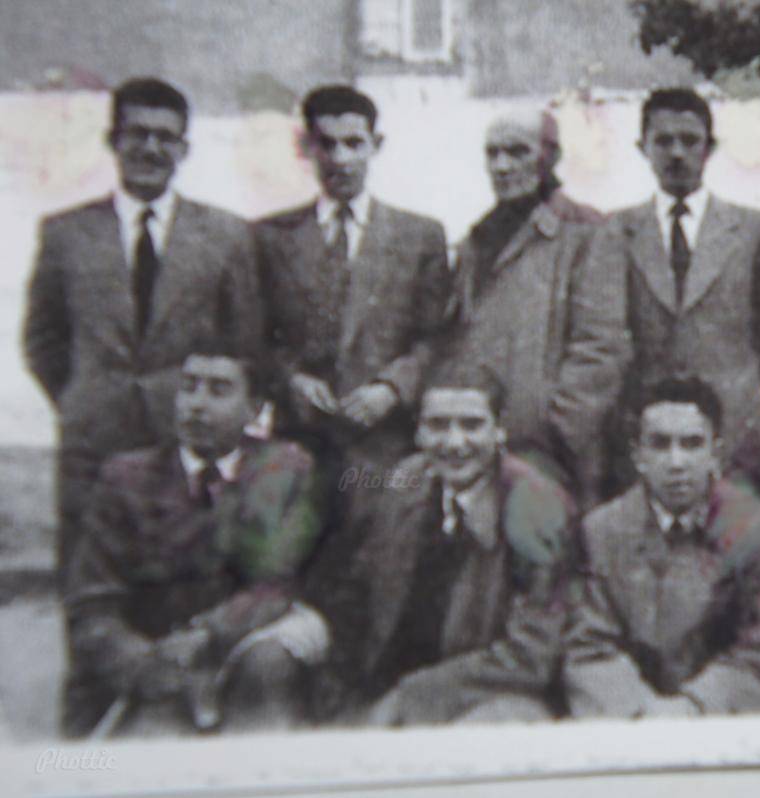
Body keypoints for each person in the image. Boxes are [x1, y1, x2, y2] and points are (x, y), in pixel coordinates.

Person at [22, 77, 261, 584]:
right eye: (137, 134)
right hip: (93, 435)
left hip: (185, 439)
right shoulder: (66, 232)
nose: (151, 148)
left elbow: (242, 339)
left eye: (165, 137)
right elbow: (43, 338)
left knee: (182, 577)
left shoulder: (225, 235)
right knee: (89, 578)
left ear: (184, 149)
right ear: (113, 140)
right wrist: (84, 395)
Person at [63, 345, 326, 737]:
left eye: (219, 390)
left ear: (254, 409)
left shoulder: (284, 468)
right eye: (189, 387)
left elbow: (277, 582)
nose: (197, 404)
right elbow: (91, 603)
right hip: (154, 653)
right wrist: (143, 664)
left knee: (267, 683)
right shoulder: (126, 477)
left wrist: (208, 635)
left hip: (243, 639)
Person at [317, 363, 576, 725]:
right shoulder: (407, 482)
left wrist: (411, 697)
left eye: (472, 425)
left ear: (499, 430)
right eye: (438, 425)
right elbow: (358, 598)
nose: (454, 443)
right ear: (419, 432)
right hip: (390, 687)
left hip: (488, 697)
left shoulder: (535, 503)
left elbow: (532, 653)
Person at [582, 88, 760, 497]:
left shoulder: (755, 230)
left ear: (710, 148)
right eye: (663, 141)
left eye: (690, 141)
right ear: (642, 148)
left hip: (733, 429)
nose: (677, 153)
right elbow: (603, 331)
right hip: (649, 429)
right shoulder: (616, 230)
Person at [255, 84, 452, 476]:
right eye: (326, 144)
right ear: (307, 147)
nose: (340, 159)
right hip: (297, 441)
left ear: (376, 145)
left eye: (353, 143)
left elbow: (439, 337)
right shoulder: (271, 236)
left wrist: (392, 388)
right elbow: (253, 335)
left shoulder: (419, 236)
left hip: (386, 442)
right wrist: (291, 379)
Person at [564, 376, 760, 718]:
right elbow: (589, 646)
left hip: (718, 715)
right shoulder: (602, 531)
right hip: (630, 719)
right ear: (638, 455)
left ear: (715, 453)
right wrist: (640, 710)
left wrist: (694, 705)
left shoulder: (754, 527)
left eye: (692, 444)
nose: (676, 462)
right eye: (660, 444)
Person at [442, 108, 618, 506]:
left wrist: (555, 433)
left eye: (517, 152)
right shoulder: (477, 240)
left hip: (553, 455)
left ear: (551, 157)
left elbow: (601, 348)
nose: (502, 166)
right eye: (492, 153)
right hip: (481, 445)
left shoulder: (587, 232)